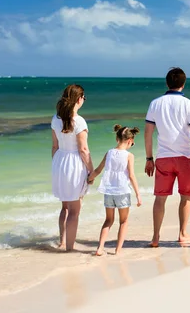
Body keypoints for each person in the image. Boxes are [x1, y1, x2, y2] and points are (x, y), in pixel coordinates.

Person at [144, 67, 190, 247]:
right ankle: (182, 234)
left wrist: (149, 158)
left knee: (160, 198)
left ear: (167, 83)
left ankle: (155, 237)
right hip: (185, 156)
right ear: (183, 84)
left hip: (163, 157)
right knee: (186, 197)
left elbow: (148, 133)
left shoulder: (155, 103)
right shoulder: (189, 104)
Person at [51, 84, 93, 251]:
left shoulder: (55, 118)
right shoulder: (79, 121)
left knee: (65, 207)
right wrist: (91, 170)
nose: (84, 100)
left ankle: (62, 241)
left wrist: (56, 166)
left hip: (59, 161)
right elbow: (83, 149)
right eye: (84, 97)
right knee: (75, 210)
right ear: (79, 98)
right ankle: (69, 248)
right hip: (74, 163)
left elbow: (54, 146)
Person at [89, 125, 142, 256]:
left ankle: (100, 248)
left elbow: (98, 170)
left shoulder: (109, 153)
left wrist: (89, 178)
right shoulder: (129, 155)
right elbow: (131, 175)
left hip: (108, 191)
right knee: (123, 221)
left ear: (117, 138)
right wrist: (138, 195)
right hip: (122, 191)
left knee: (108, 220)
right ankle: (118, 251)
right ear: (130, 141)